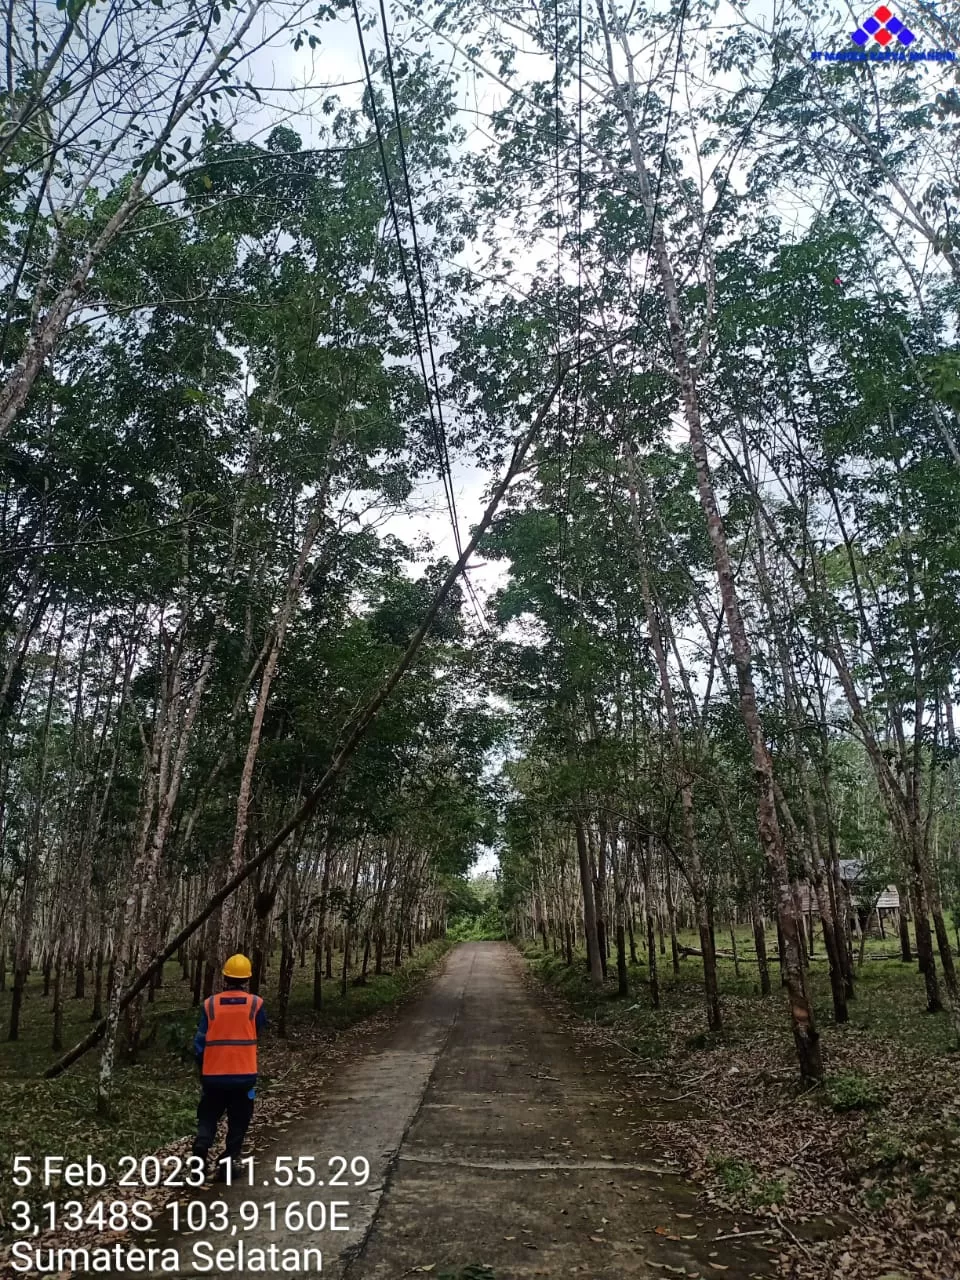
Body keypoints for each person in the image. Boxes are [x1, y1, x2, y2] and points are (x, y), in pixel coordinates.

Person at [191, 954, 267, 1181]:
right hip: (244, 1077)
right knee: (239, 1120)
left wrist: (202, 1067)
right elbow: (259, 1029)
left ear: (225, 976)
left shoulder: (210, 1005)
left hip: (213, 1076)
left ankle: (201, 1150)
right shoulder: (256, 1004)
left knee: (208, 1116)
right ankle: (228, 1163)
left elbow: (199, 1042)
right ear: (247, 979)